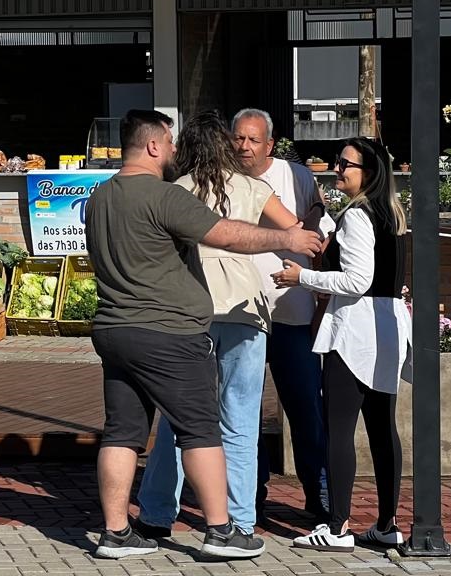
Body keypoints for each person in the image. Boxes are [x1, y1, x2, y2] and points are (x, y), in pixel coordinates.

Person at [85, 109, 321, 561]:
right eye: (169, 141)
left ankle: (116, 533)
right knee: (200, 431)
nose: (174, 149)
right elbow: (226, 235)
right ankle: (222, 531)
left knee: (123, 433)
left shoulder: (101, 197)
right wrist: (286, 239)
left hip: (115, 328)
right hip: (168, 332)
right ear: (153, 145)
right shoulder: (164, 196)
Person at [134, 111, 301, 540]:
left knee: (178, 420)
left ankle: (156, 514)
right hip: (246, 311)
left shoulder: (175, 191)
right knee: (240, 422)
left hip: (191, 311)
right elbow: (296, 230)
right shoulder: (254, 188)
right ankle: (240, 520)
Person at [273, 138, 411, 552]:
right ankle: (386, 523)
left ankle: (336, 527)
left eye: (345, 163)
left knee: (338, 429)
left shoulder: (358, 215)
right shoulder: (392, 213)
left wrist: (302, 277)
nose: (337, 168)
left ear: (367, 172)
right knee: (382, 428)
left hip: (354, 331)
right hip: (387, 327)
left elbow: (356, 280)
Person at [232, 108, 333, 521]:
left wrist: (321, 298)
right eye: (239, 138)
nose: (245, 146)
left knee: (307, 409)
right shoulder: (222, 180)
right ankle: (250, 495)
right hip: (243, 316)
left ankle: (319, 492)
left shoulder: (297, 176)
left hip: (293, 314)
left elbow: (320, 231)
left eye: (253, 139)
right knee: (245, 412)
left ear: (269, 144)